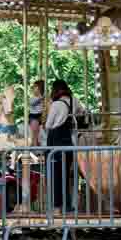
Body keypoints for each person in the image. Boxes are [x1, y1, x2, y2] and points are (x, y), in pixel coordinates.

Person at [45, 79, 76, 224]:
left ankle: (56, 207)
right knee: (64, 175)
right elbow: (82, 112)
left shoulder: (56, 104)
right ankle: (67, 205)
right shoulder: (73, 101)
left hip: (55, 141)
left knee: (55, 175)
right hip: (68, 142)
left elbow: (48, 124)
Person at [28, 77, 45, 144]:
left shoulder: (44, 97)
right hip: (34, 116)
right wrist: (40, 98)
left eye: (36, 87)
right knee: (35, 133)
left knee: (41, 133)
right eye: (34, 87)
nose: (34, 89)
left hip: (42, 115)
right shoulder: (33, 98)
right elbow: (32, 103)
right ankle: (35, 144)